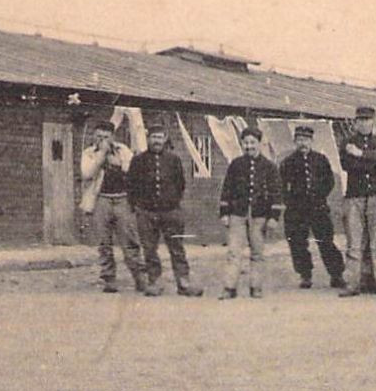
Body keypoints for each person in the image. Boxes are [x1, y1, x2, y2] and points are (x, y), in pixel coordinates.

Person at [127, 122, 202, 297]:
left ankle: (183, 282)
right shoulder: (138, 161)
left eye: (160, 137)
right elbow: (131, 185)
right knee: (149, 248)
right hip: (146, 212)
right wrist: (138, 207)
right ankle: (155, 282)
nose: (157, 141)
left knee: (177, 248)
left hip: (170, 212)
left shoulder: (174, 160)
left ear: (165, 139)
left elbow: (180, 184)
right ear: (148, 139)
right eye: (153, 137)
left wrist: (173, 203)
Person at [79, 120, 148, 295]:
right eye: (99, 136)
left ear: (113, 137)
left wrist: (114, 158)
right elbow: (87, 173)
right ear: (94, 136)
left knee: (130, 240)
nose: (102, 139)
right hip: (101, 199)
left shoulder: (123, 150)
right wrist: (101, 154)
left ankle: (140, 278)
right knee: (104, 242)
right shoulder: (89, 153)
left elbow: (131, 171)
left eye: (106, 136)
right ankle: (109, 279)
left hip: (122, 199)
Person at [217, 126, 284, 299]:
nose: (249, 146)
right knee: (233, 252)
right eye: (246, 143)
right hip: (237, 215)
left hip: (259, 216)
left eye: (252, 142)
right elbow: (227, 189)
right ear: (242, 144)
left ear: (259, 144)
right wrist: (224, 213)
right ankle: (229, 287)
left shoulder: (269, 167)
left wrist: (274, 217)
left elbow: (276, 193)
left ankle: (256, 287)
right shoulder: (236, 164)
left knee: (257, 253)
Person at [279, 123, 347, 291]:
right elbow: (281, 186)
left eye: (306, 140)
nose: (303, 143)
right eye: (300, 140)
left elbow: (329, 181)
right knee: (297, 243)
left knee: (326, 241)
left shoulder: (321, 160)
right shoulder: (288, 162)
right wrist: (291, 201)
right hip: (296, 209)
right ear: (295, 141)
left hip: (318, 208)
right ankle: (305, 275)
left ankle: (336, 275)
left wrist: (319, 196)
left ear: (312, 141)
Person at [339, 106, 376, 297]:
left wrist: (360, 154)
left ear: (373, 122)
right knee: (355, 242)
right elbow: (347, 164)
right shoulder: (347, 142)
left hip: (375, 197)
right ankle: (352, 284)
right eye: (360, 120)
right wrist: (369, 161)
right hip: (355, 196)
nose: (364, 123)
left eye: (367, 120)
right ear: (355, 122)